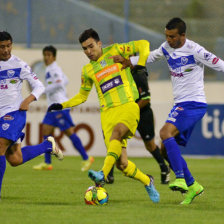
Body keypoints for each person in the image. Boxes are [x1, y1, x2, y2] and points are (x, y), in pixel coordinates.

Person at [111, 17, 224, 204]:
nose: (169, 40)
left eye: (172, 37)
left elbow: (220, 64)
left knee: (164, 132)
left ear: (183, 35)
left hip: (194, 103)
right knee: (164, 150)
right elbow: (151, 56)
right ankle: (193, 186)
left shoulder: (196, 51)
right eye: (167, 36)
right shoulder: (166, 47)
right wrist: (129, 61)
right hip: (180, 104)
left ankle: (179, 177)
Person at [48, 28, 160, 203]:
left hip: (128, 106)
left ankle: (102, 174)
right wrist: (62, 105)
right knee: (122, 165)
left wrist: (140, 65)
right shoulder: (87, 70)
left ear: (99, 43)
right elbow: (82, 96)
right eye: (84, 48)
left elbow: (144, 44)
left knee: (118, 131)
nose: (88, 51)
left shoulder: (116, 51)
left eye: (91, 46)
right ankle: (147, 180)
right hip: (107, 114)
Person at [0, 31, 63, 199]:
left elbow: (39, 86)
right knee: (15, 158)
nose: (6, 50)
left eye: (8, 46)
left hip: (14, 113)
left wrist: (28, 100)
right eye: (2, 47)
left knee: (0, 144)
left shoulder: (19, 64)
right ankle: (47, 146)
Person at [33, 45, 94, 172]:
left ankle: (86, 158)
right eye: (45, 55)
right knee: (45, 131)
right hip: (52, 107)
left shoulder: (54, 69)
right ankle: (47, 163)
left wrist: (44, 90)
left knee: (69, 133)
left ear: (54, 57)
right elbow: (65, 80)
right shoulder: (51, 69)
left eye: (49, 55)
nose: (46, 57)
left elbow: (60, 83)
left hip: (59, 106)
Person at [106, 65, 170, 184]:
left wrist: (132, 109)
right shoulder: (120, 75)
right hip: (127, 114)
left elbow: (146, 98)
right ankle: (108, 174)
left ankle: (164, 168)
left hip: (143, 114)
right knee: (116, 138)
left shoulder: (138, 74)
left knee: (150, 145)